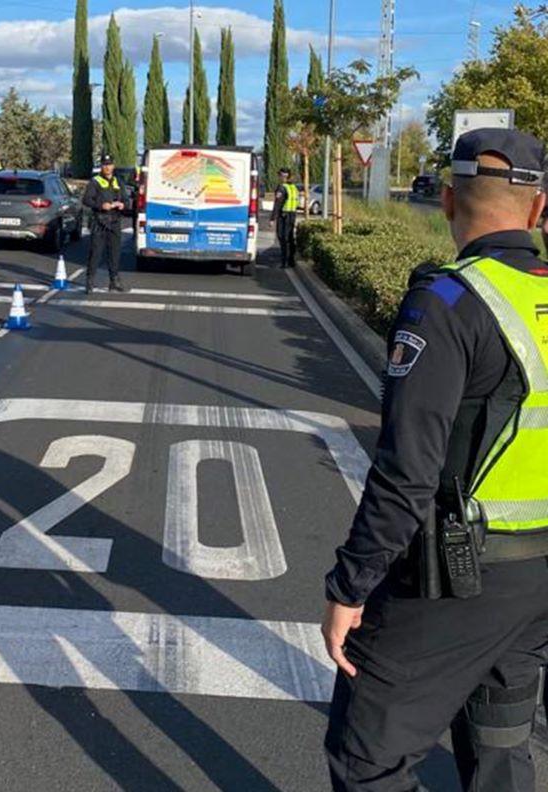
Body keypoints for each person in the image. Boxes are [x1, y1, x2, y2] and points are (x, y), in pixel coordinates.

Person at [322, 127, 548, 791]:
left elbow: (407, 471)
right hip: (538, 584)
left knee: (367, 758)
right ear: (538, 210)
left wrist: (350, 586)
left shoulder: (447, 303)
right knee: (502, 745)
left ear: (447, 200)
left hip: (458, 577)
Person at [82, 153, 127, 293]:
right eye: (105, 165)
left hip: (115, 221)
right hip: (99, 221)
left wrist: (123, 205)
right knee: (96, 252)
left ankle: (114, 281)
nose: (107, 167)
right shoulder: (95, 181)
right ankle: (89, 282)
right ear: (102, 166)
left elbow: (126, 200)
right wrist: (101, 205)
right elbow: (86, 200)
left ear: (113, 166)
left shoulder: (118, 182)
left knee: (114, 253)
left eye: (109, 164)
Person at [270, 167, 299, 268]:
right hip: (292, 215)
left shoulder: (282, 187)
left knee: (282, 238)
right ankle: (291, 260)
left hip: (284, 216)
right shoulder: (293, 187)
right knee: (290, 238)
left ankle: (284, 262)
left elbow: (278, 204)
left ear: (281, 176)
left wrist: (272, 218)